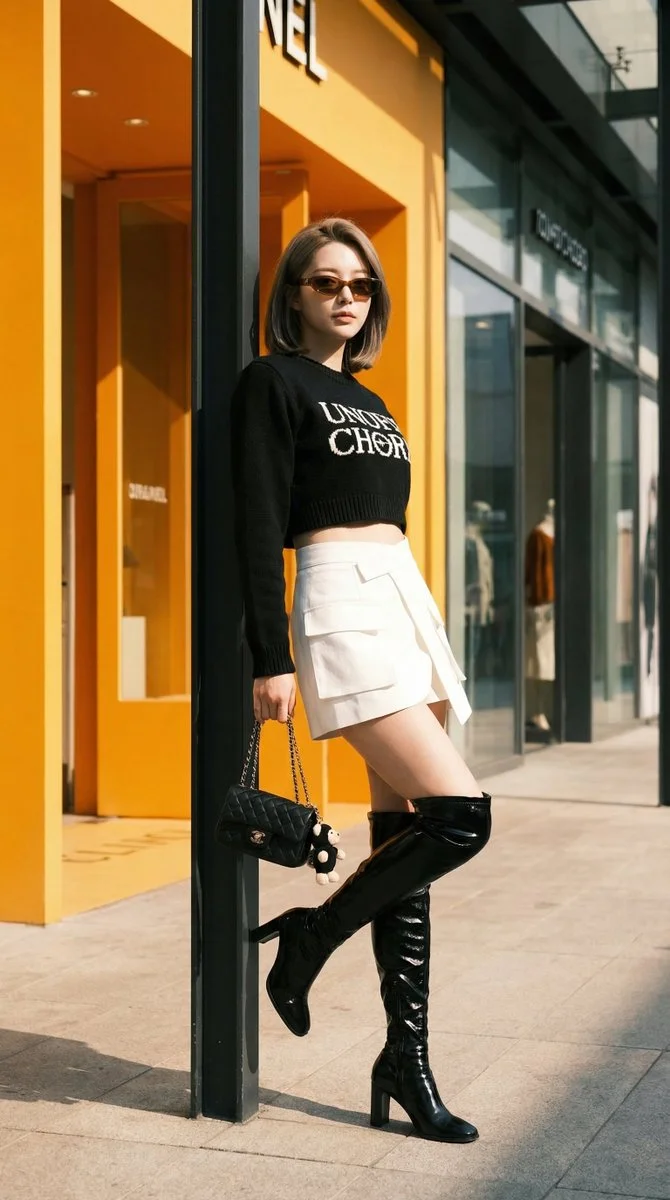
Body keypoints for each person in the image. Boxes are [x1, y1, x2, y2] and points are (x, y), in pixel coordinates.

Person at [230, 217, 491, 1144]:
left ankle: (404, 1061)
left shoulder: (371, 402)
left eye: (360, 286)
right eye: (326, 282)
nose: (346, 297)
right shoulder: (273, 382)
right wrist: (272, 654)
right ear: (293, 294)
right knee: (463, 814)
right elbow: (258, 523)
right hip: (337, 597)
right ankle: (309, 937)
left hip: (402, 598)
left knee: (407, 840)